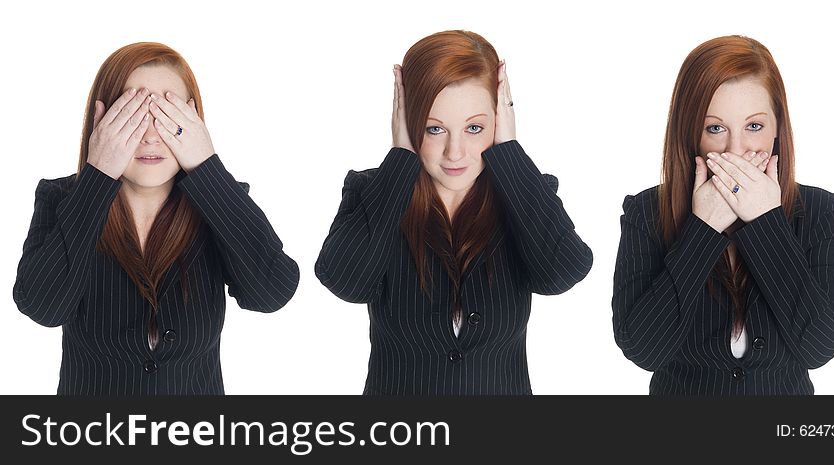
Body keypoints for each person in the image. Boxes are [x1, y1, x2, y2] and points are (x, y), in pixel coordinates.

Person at [316, 30, 593, 395]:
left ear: (499, 120)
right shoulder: (373, 191)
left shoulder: (523, 192)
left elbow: (562, 273)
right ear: (410, 123)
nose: (455, 152)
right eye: (435, 129)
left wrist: (508, 150)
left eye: (474, 127)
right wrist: (401, 156)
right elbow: (346, 282)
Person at [13, 42, 299, 395]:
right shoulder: (62, 199)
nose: (150, 135)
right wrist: (98, 174)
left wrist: (205, 166)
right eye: (132, 115)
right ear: (101, 121)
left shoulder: (220, 202)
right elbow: (43, 307)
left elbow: (271, 293)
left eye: (167, 115)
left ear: (193, 121)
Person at [611, 35, 834, 394]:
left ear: (777, 130)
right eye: (715, 128)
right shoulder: (646, 213)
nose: (735, 150)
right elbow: (643, 350)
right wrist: (702, 230)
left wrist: (766, 222)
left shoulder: (820, 212)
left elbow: (819, 348)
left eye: (753, 126)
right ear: (690, 134)